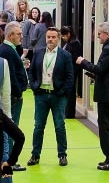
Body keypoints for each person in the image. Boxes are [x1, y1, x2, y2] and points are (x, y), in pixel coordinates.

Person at [76, 21, 109, 171]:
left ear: (106, 34)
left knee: (104, 126)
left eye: (99, 34)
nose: (97, 37)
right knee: (106, 125)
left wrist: (83, 62)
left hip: (107, 93)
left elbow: (99, 68)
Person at [26, 27, 73, 167]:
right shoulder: (38, 53)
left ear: (58, 38)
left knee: (60, 126)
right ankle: (35, 155)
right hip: (41, 95)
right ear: (45, 38)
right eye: (48, 37)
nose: (50, 39)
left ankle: (62, 155)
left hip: (58, 96)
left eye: (53, 37)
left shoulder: (65, 55)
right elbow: (32, 71)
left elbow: (70, 77)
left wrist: (62, 92)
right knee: (38, 126)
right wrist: (34, 86)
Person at [0, 22, 27, 172]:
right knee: (11, 129)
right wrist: (18, 93)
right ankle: (9, 160)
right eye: (18, 34)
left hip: (14, 95)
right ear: (10, 35)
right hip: (13, 97)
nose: (21, 37)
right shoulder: (7, 51)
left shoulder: (10, 50)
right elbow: (10, 78)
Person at [60, 26, 81, 119]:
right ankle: (67, 111)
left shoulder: (74, 43)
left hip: (72, 70)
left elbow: (74, 57)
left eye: (63, 36)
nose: (62, 38)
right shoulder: (69, 43)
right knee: (69, 91)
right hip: (69, 70)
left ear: (68, 34)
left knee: (71, 92)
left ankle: (70, 112)